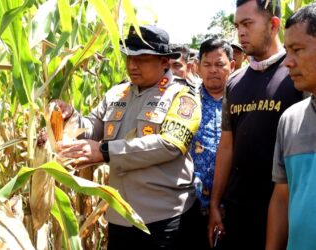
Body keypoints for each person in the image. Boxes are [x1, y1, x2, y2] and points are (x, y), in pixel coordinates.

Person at [54, 24, 202, 250]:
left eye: (142, 58)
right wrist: (68, 116)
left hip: (165, 220)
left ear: (164, 62)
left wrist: (105, 152)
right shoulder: (116, 93)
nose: (132, 65)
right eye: (128, 57)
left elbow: (169, 145)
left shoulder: (183, 97)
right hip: (120, 218)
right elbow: (92, 127)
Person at [208, 0, 303, 249]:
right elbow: (227, 146)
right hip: (237, 212)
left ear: (273, 25)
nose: (240, 32)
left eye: (248, 24)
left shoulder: (297, 75)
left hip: (284, 212)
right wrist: (216, 204)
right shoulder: (235, 82)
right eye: (238, 25)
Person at [266, 4, 316, 250]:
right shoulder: (290, 120)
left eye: (297, 50)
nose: (288, 62)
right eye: (287, 51)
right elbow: (282, 197)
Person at [189, 38, 234, 249]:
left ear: (232, 66)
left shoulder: (241, 100)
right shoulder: (186, 101)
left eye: (219, 64)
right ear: (198, 67)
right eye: (207, 65)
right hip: (192, 207)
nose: (213, 70)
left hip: (233, 206)